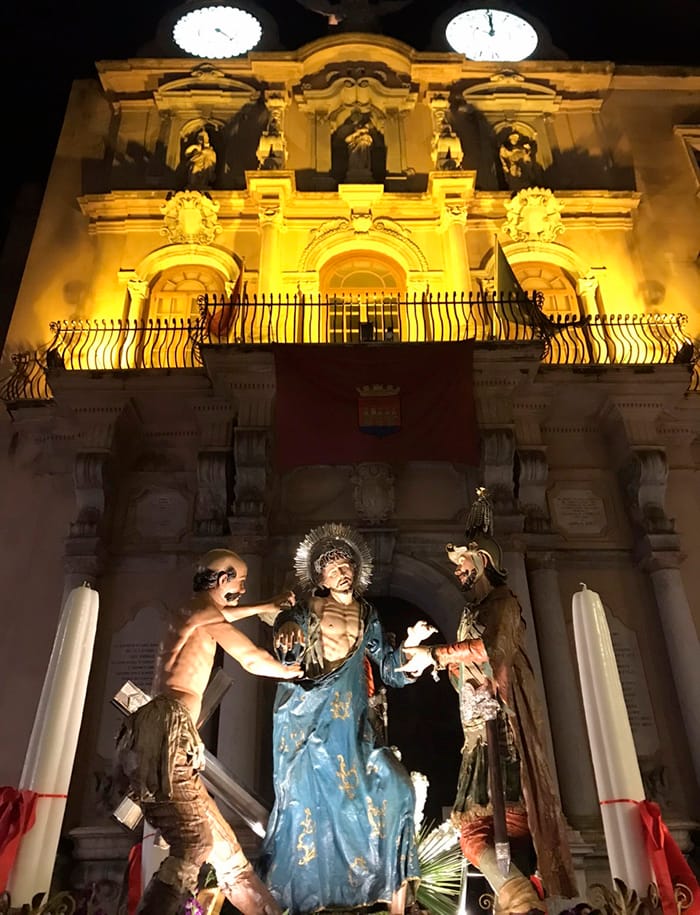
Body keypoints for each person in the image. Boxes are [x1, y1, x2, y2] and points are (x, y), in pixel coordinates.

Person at [402, 490, 579, 915]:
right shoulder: (474, 610)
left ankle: (524, 904)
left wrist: (436, 655)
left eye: (463, 564)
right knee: (482, 830)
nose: (458, 572)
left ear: (482, 562)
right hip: (478, 728)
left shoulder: (503, 602)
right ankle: (521, 902)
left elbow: (491, 650)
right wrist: (435, 662)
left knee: (488, 828)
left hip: (500, 725)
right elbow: (468, 666)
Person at [115, 548, 303, 915]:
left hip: (175, 738)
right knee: (193, 842)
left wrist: (265, 606)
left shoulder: (198, 614)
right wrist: (296, 672)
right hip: (167, 732)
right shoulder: (199, 612)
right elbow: (250, 658)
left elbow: (226, 615)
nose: (242, 592)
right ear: (222, 580)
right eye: (240, 583)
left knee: (228, 855)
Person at [258, 523, 430, 915]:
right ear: (319, 576)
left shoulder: (367, 613)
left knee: (397, 788)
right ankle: (310, 897)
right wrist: (287, 631)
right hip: (309, 716)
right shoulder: (307, 610)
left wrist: (412, 645)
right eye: (333, 567)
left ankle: (396, 901)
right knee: (308, 806)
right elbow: (287, 639)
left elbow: (388, 666)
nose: (342, 571)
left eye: (347, 564)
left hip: (351, 720)